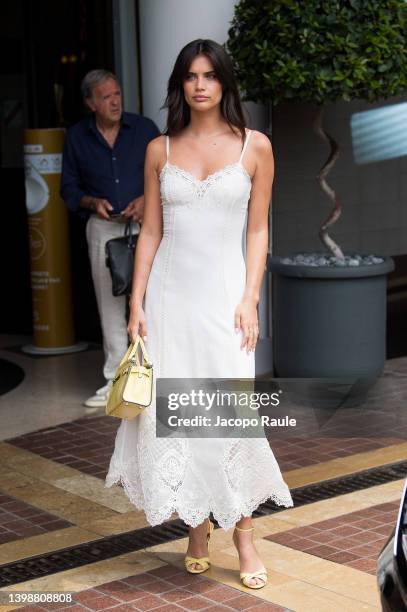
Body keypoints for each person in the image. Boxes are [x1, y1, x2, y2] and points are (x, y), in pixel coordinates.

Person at [106, 40, 293, 589]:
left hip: (225, 302)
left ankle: (243, 535)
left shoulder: (255, 147)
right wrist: (136, 301)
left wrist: (250, 297)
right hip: (169, 299)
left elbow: (258, 230)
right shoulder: (159, 150)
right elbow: (153, 233)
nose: (200, 85)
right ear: (180, 85)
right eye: (191, 76)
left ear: (225, 83)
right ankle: (195, 527)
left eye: (210, 75)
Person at [61, 70, 160, 409]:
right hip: (103, 228)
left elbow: (168, 170)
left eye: (117, 94)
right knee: (110, 305)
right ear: (90, 103)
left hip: (146, 226)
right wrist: (92, 202)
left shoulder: (144, 129)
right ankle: (116, 382)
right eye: (106, 97)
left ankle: (157, 376)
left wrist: (148, 199)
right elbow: (68, 188)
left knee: (153, 299)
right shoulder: (76, 137)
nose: (115, 101)